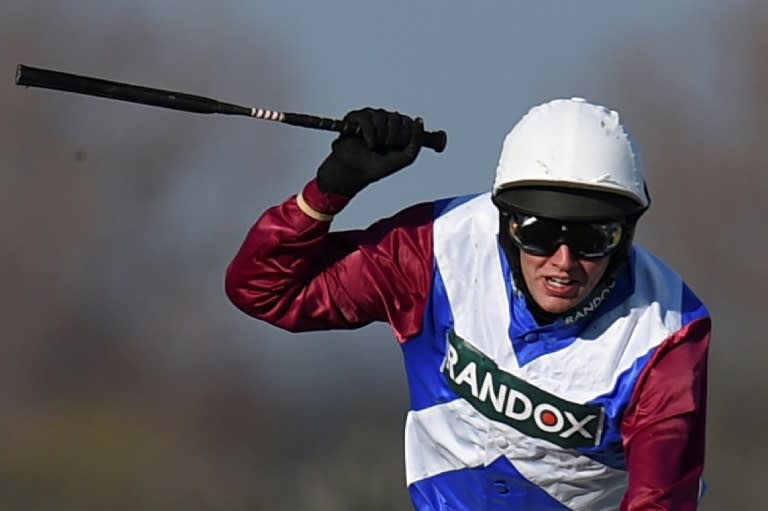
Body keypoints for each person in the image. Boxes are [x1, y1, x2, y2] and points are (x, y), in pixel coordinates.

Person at [224, 98, 710, 511]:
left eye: (593, 238)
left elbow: (660, 499)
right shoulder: (435, 249)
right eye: (538, 234)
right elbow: (264, 290)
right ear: (505, 221)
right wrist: (330, 189)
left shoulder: (666, 333)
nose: (563, 263)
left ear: (625, 236)